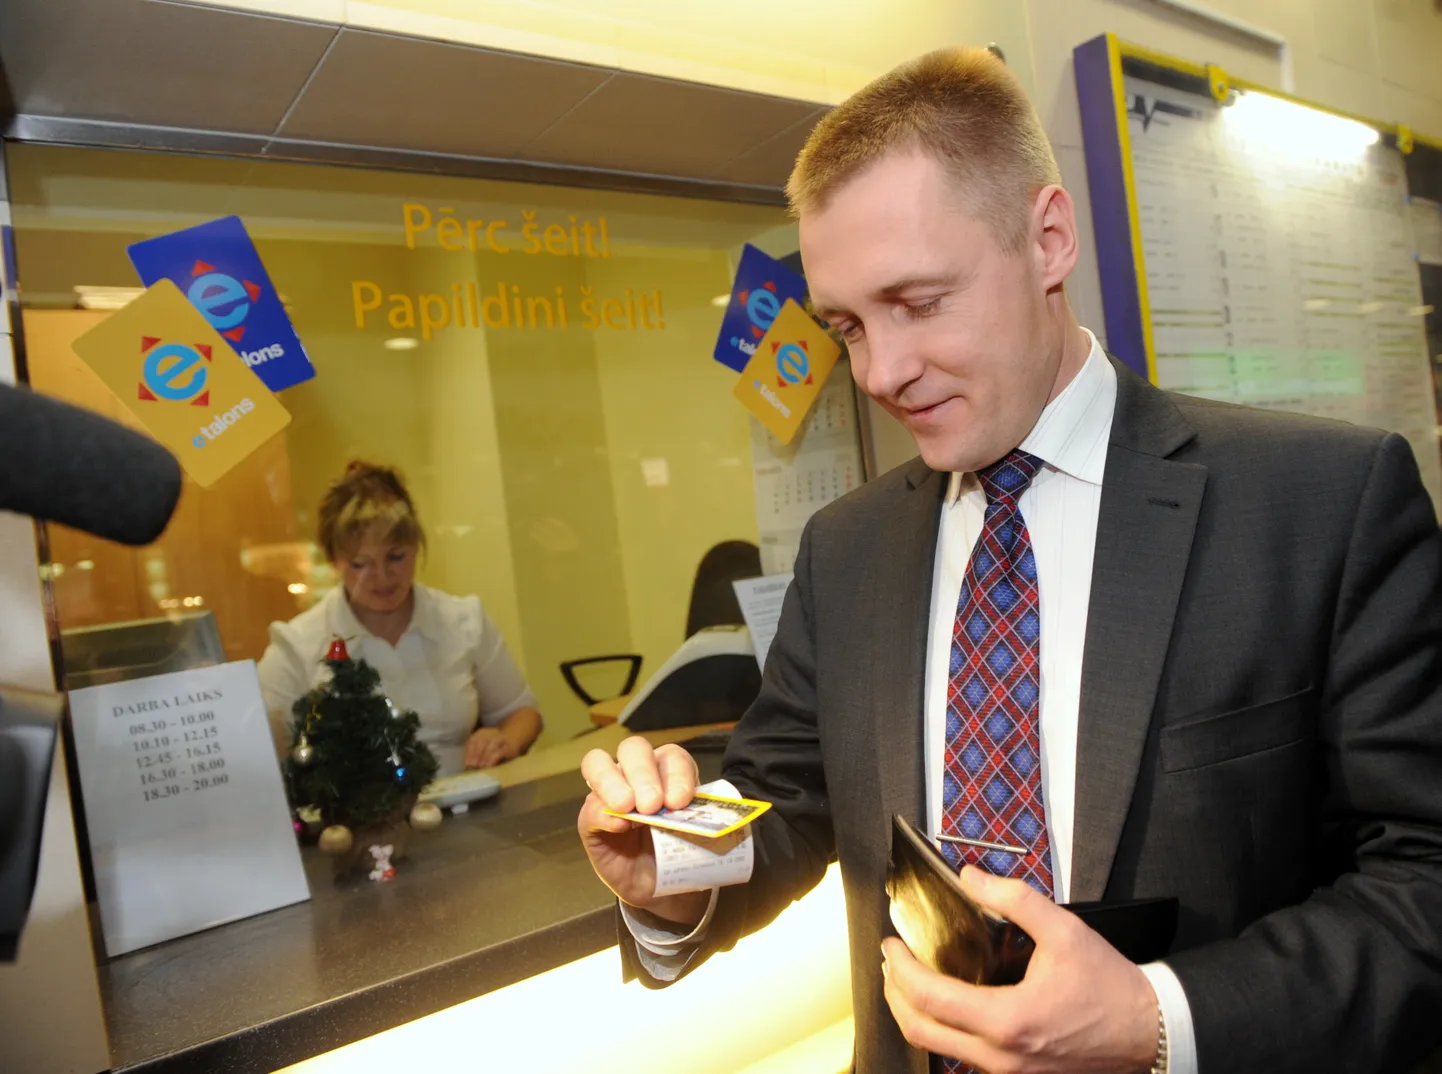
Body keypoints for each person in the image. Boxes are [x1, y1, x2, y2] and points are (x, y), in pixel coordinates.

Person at [576, 47, 1442, 1074]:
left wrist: (1158, 1018)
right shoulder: (845, 550)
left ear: (1047, 240)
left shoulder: (1321, 504)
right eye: (847, 326)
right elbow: (787, 804)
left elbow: (1423, 879)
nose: (881, 372)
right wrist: (675, 869)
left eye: (918, 301)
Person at [258, 461, 542, 777]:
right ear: (334, 561)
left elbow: (522, 713)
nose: (382, 577)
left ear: (416, 546)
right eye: (360, 564)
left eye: (396, 557)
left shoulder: (463, 621)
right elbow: (260, 754)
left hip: (465, 796)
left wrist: (504, 740)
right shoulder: (297, 646)